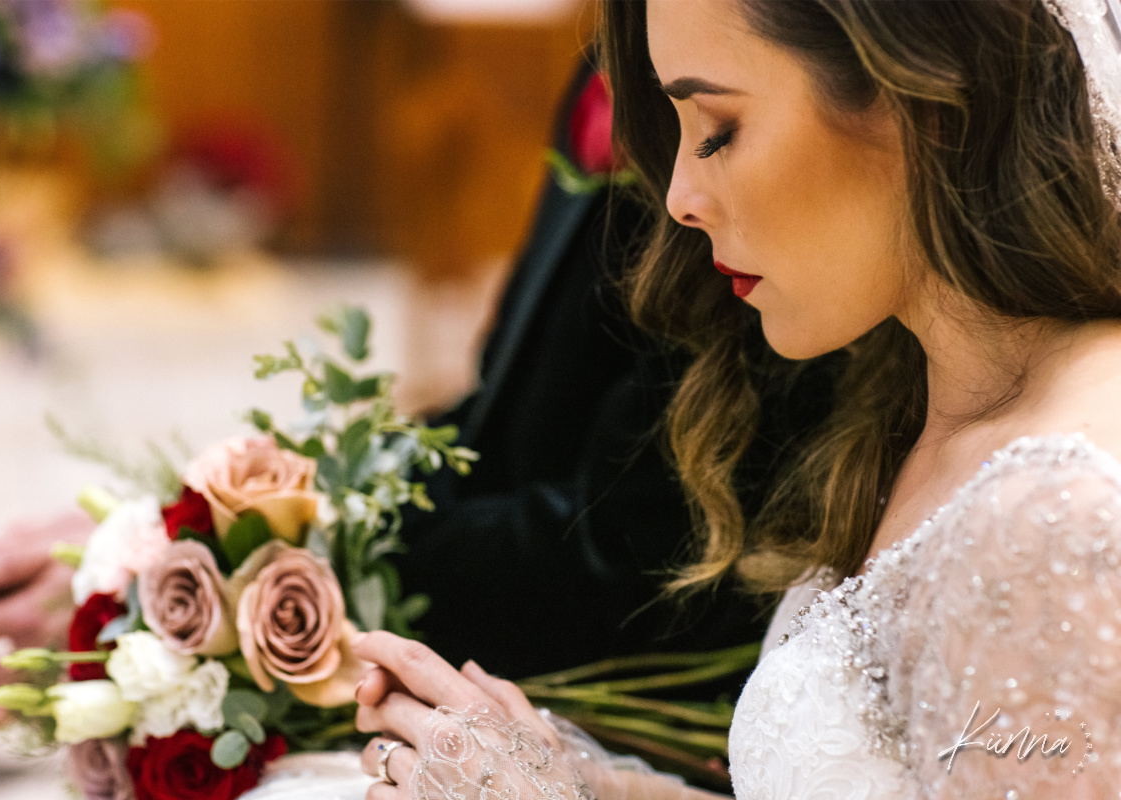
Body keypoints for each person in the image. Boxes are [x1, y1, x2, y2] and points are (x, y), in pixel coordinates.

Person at [348, 1, 1121, 797]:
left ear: (924, 102)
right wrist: (574, 777)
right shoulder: (906, 414)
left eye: (718, 130)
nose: (678, 198)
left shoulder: (1055, 523)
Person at [0, 61, 836, 702]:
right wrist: (186, 530)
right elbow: (504, 429)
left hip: (651, 698)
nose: (681, 196)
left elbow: (629, 559)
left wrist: (204, 585)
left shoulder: (746, 94)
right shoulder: (619, 56)